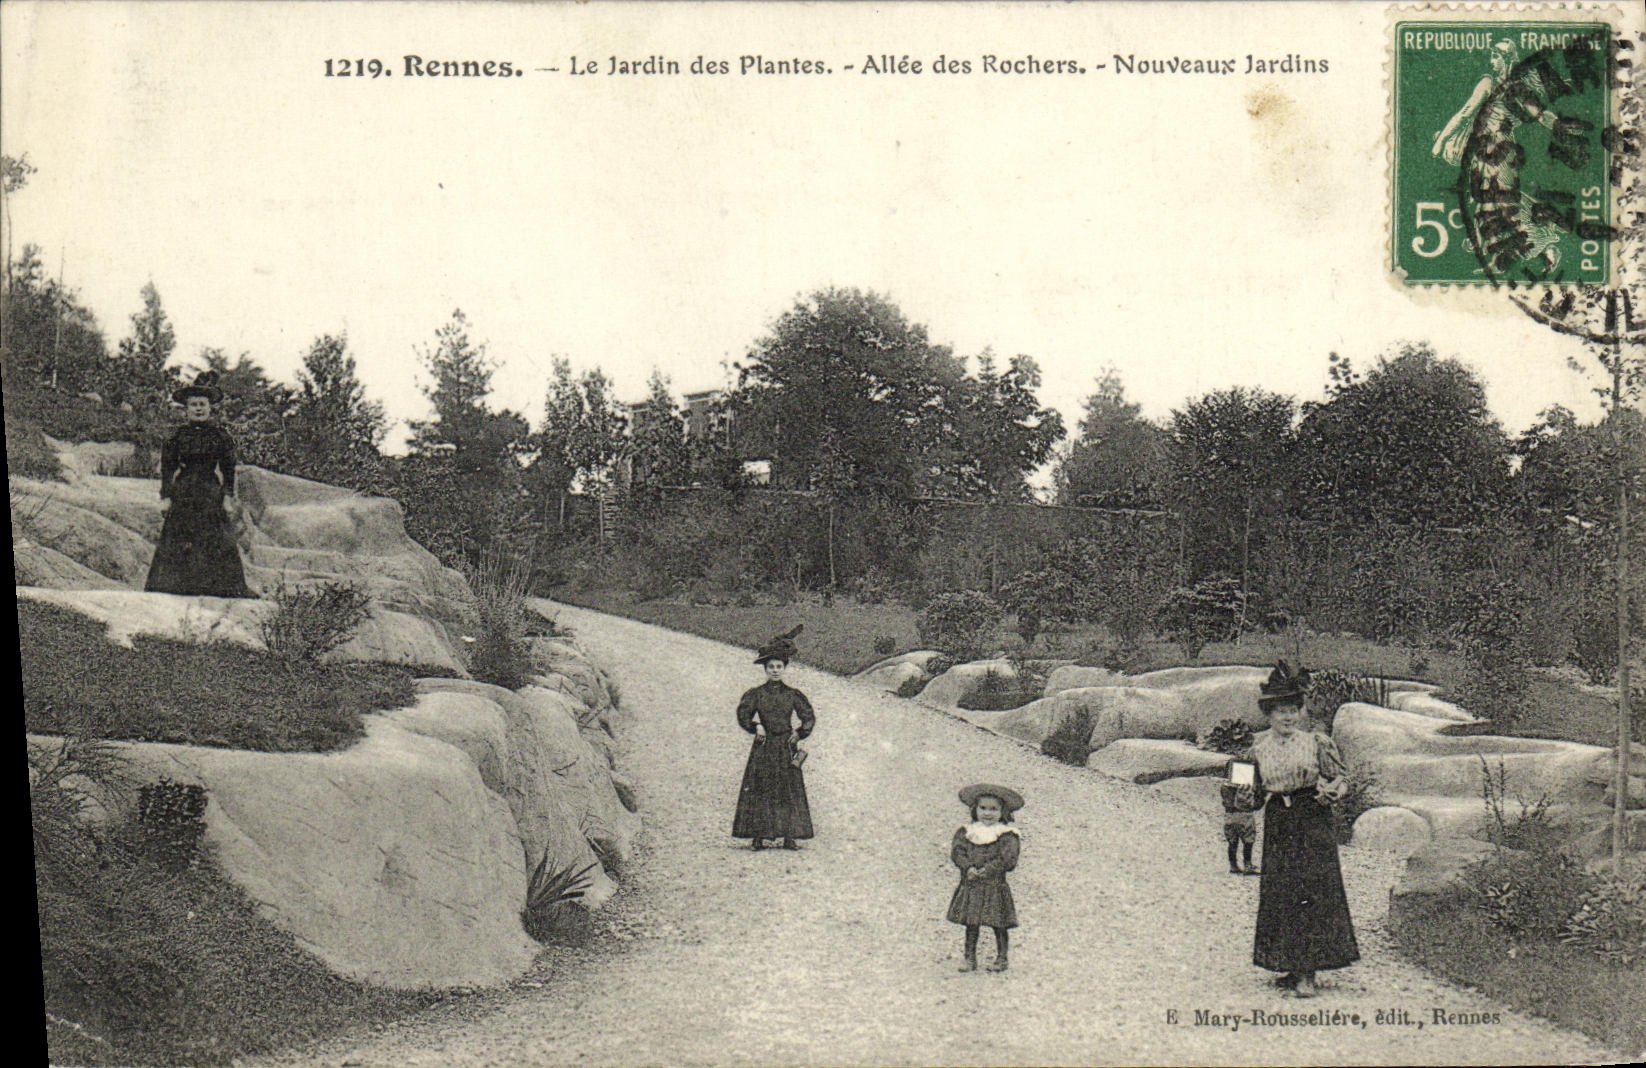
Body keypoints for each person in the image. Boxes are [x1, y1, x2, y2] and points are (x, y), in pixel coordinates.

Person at [1245, 660, 1359, 998]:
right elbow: (1249, 795)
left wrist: (1335, 790)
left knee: (1312, 889)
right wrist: (1241, 796)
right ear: (1269, 714)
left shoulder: (1315, 743)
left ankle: (1308, 971)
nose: (1288, 717)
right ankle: (1289, 964)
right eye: (1281, 711)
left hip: (1311, 817)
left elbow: (1341, 778)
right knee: (1281, 890)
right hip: (1279, 819)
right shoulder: (1255, 748)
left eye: (1293, 710)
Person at [143, 371, 253, 598]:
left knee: (216, 536)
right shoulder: (177, 436)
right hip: (184, 491)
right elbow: (167, 468)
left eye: (202, 404)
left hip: (210, 490)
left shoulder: (220, 436)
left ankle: (218, 587)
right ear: (186, 409)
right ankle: (177, 586)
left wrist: (227, 496)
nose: (198, 409)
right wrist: (166, 497)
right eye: (193, 405)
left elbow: (228, 468)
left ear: (210, 407)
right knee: (179, 537)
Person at [732, 626, 815, 850]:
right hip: (764, 746)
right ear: (765, 670)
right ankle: (758, 836)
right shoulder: (756, 694)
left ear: (784, 668)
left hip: (786, 746)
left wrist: (799, 733)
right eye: (771, 667)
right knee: (760, 788)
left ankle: (789, 836)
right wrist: (756, 726)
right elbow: (743, 714)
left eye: (779, 667)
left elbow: (808, 716)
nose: (775, 671)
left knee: (788, 789)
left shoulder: (792, 694)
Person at [948, 783, 1023, 973]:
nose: (987, 813)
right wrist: (968, 867)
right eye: (983, 808)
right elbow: (957, 852)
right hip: (972, 883)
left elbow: (1008, 859)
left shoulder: (1007, 835)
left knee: (999, 922)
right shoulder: (967, 832)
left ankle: (1002, 958)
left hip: (994, 885)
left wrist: (987, 870)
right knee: (971, 922)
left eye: (993, 809)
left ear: (1002, 812)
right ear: (975, 809)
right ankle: (969, 957)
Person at [1220, 777, 1261, 876]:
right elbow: (1257, 801)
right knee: (1248, 841)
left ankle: (1233, 865)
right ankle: (1247, 865)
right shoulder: (1247, 784)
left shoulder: (1226, 785)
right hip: (1245, 815)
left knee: (1232, 842)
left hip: (1229, 814)